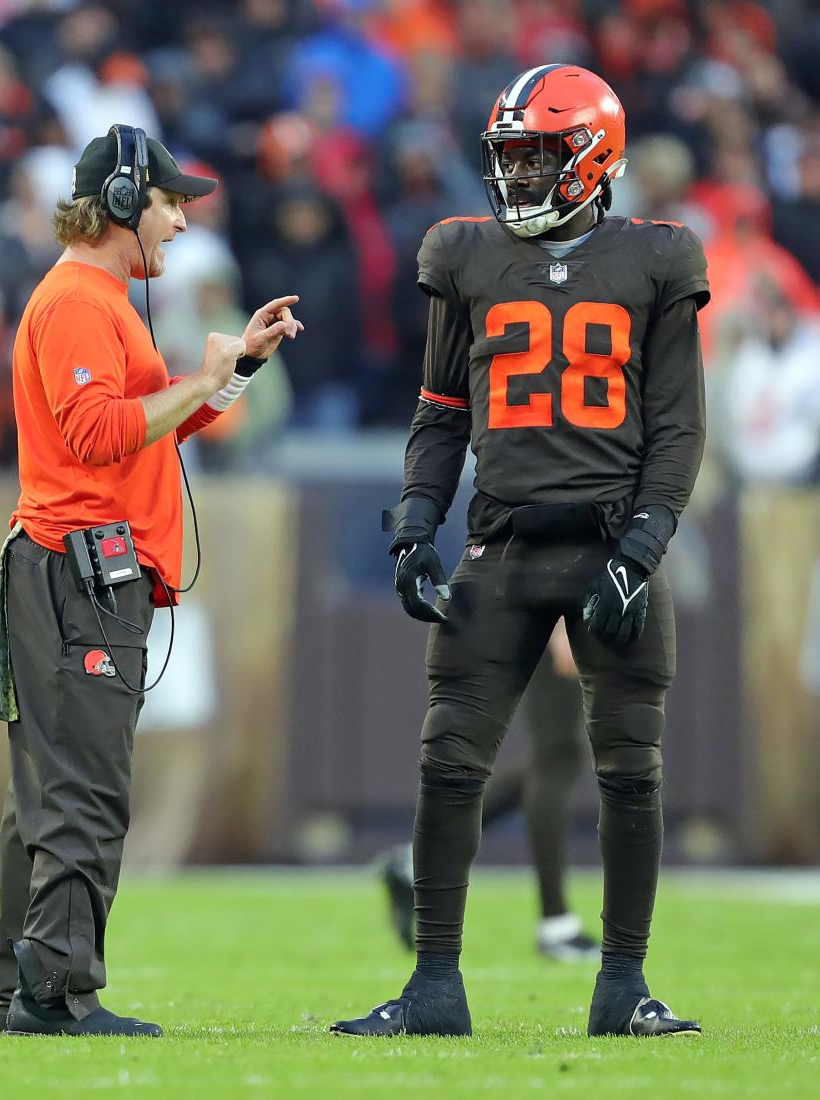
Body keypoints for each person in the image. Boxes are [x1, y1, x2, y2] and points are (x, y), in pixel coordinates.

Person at [331, 64, 708, 1040]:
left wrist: (645, 543)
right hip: (499, 541)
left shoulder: (657, 258)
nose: (518, 176)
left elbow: (675, 427)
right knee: (448, 759)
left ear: (593, 154)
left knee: (629, 767)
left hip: (609, 540)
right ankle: (434, 986)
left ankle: (623, 984)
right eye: (510, 156)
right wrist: (416, 520)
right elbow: (442, 409)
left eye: (538, 155)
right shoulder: (463, 254)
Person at [0, 125, 302, 1037]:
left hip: (66, 561)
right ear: (123, 203)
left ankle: (22, 985)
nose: (180, 225)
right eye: (170, 205)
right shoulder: (83, 300)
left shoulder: (102, 298)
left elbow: (152, 428)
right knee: (83, 783)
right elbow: (97, 433)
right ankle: (55, 994)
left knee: (47, 787)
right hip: (81, 565)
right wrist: (197, 381)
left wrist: (230, 371)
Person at [378, 620, 600, 963]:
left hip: (544, 601)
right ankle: (556, 925)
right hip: (554, 599)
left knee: (547, 764)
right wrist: (560, 623)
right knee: (556, 758)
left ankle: (417, 858)